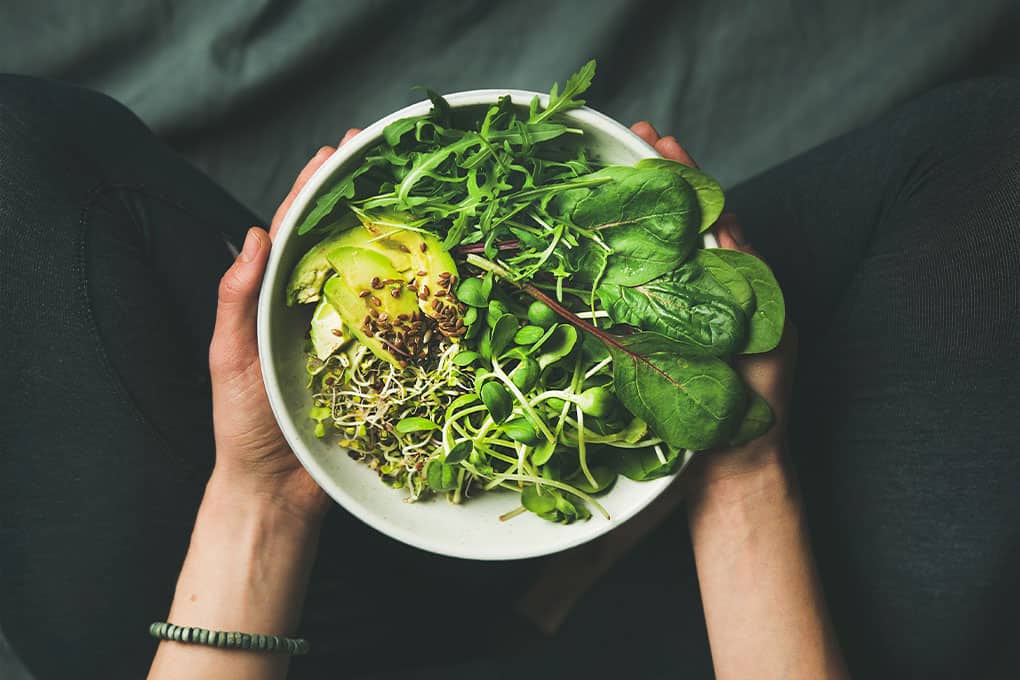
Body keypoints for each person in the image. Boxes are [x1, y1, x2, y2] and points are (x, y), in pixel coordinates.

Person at [0, 72, 1017, 679]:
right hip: (703, 630)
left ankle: (532, 578)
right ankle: (576, 576)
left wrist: (262, 495)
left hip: (274, 621)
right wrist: (740, 474)